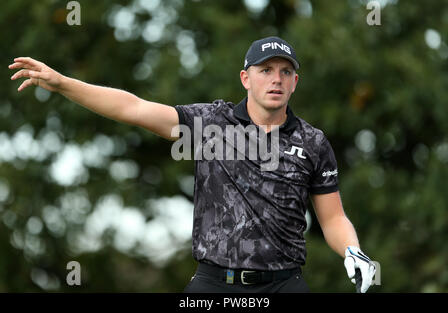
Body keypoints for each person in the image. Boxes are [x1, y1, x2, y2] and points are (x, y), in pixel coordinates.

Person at [9, 36, 376, 293]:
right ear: (246, 79)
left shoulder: (313, 143)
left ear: (295, 82)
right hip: (213, 283)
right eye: (266, 70)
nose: (275, 79)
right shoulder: (210, 124)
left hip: (284, 283)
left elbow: (332, 218)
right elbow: (133, 108)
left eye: (284, 71)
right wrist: (61, 83)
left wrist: (352, 250)